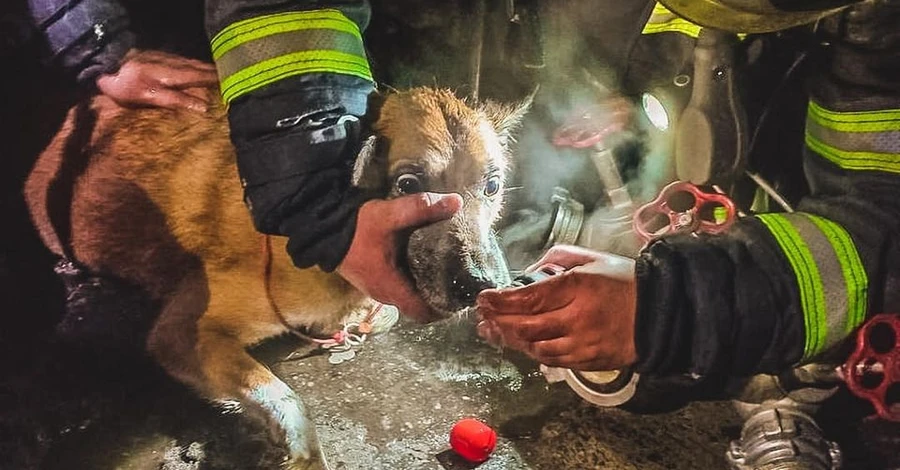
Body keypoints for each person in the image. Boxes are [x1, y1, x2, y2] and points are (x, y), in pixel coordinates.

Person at [476, 0, 900, 384]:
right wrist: (616, 94)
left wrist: (675, 308)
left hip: (767, 283)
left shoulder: (880, 25)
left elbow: (879, 231)